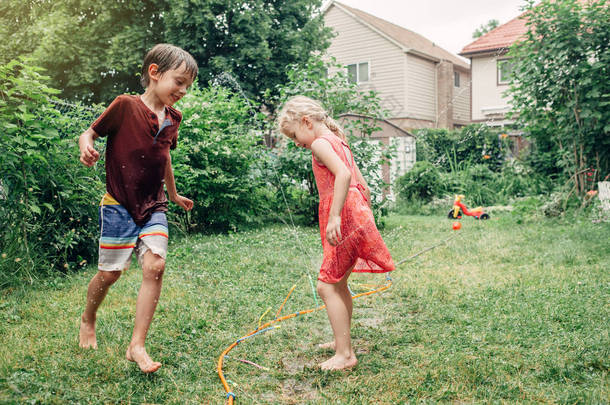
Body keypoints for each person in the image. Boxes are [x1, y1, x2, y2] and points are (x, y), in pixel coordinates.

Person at [77, 44, 198, 373]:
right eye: (179, 81)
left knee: (155, 265)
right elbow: (88, 133)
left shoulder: (173, 118)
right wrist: (86, 146)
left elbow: (165, 156)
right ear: (155, 73)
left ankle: (137, 345)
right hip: (118, 205)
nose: (183, 91)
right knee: (110, 273)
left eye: (189, 85)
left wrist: (172, 195)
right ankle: (89, 317)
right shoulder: (124, 106)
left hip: (154, 204)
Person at [277, 96, 395, 370]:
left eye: (295, 135)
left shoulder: (320, 142)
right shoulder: (338, 140)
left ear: (306, 121)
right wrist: (362, 213)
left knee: (327, 285)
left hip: (344, 216)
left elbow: (342, 174)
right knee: (339, 281)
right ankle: (341, 341)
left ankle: (345, 354)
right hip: (355, 214)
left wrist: (335, 216)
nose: (297, 142)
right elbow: (361, 183)